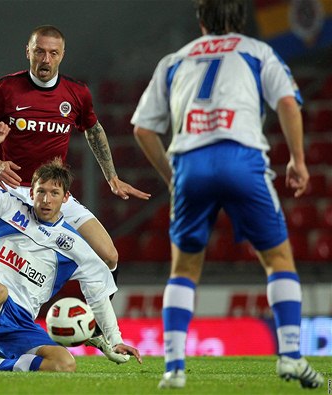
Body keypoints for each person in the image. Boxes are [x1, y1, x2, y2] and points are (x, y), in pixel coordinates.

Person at [0, 25, 150, 364]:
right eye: (40, 51)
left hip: (51, 193)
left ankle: (94, 330)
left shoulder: (76, 93)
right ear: (29, 51)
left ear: (62, 55)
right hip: (9, 192)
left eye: (53, 53)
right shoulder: (7, 88)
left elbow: (93, 129)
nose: (46, 59)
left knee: (108, 256)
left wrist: (111, 176)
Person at [131, 0, 323, 390]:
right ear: (241, 20)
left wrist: (172, 177)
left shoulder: (175, 59)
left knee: (183, 269)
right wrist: (298, 161)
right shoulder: (256, 50)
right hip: (240, 157)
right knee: (278, 259)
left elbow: (142, 129)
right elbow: (287, 102)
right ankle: (290, 356)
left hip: (189, 162)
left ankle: (174, 369)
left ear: (201, 21)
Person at [0, 120, 142, 372]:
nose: (46, 199)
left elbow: (98, 296)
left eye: (54, 193)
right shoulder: (6, 208)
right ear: (30, 193)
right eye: (40, 192)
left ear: (66, 198)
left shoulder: (76, 247)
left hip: (20, 323)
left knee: (64, 364)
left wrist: (116, 340)